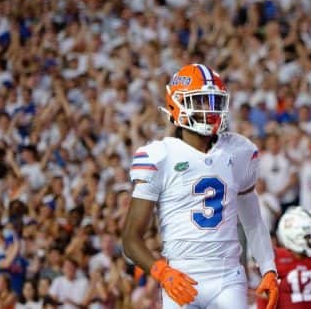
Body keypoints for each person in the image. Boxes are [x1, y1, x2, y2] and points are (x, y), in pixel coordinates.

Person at [120, 64, 280, 309]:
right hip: (181, 276)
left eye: (215, 102)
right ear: (178, 104)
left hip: (228, 276)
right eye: (202, 101)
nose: (211, 110)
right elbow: (131, 238)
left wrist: (268, 267)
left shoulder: (239, 151)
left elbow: (253, 219)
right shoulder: (160, 155)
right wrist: (162, 272)